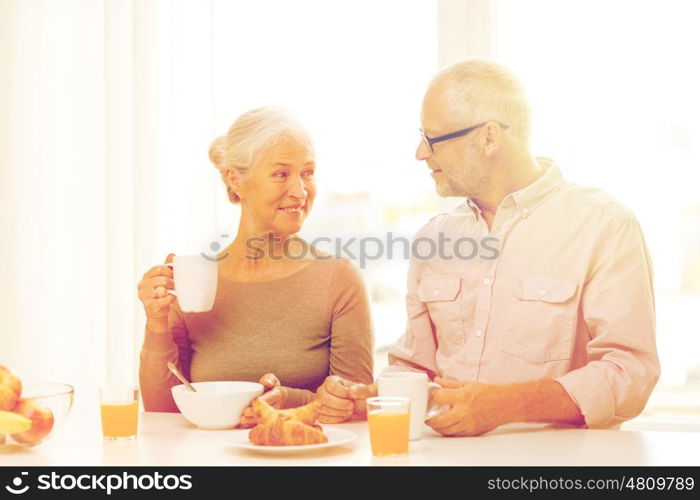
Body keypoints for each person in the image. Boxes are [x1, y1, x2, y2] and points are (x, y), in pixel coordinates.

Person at [316, 58, 660, 435]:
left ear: (489, 137)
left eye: (432, 139)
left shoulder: (604, 225)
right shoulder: (434, 239)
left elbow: (630, 373)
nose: (420, 152)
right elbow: (416, 368)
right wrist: (373, 396)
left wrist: (506, 405)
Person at [137, 107, 373, 423]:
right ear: (235, 180)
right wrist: (156, 322)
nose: (300, 191)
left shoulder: (338, 278)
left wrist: (289, 400)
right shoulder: (196, 280)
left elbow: (356, 405)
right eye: (281, 174)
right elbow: (162, 411)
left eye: (307, 172)